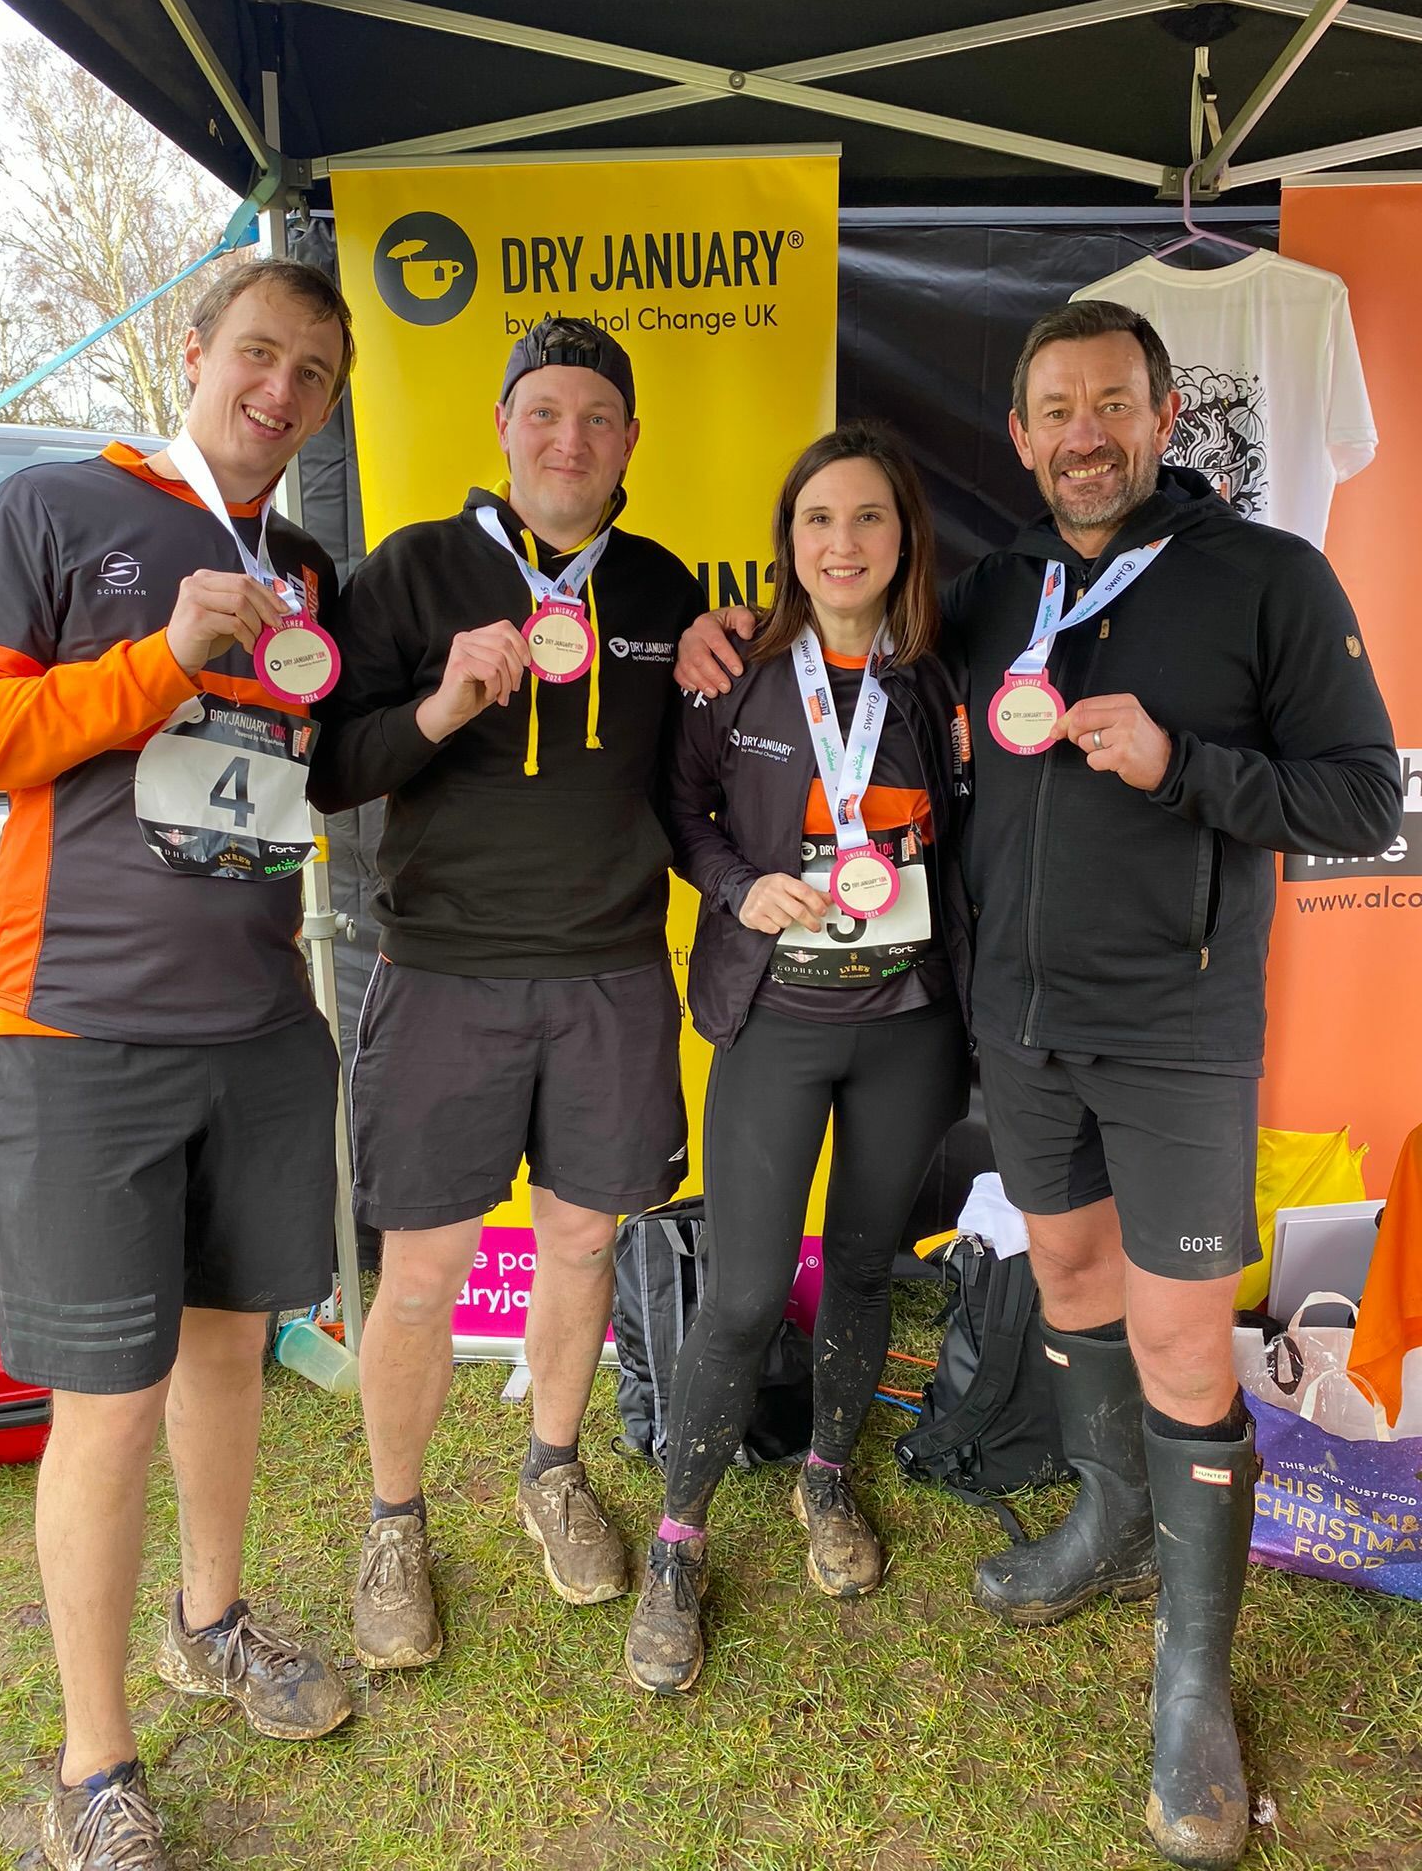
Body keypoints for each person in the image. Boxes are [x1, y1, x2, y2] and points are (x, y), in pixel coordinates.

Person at [675, 300, 1401, 1869]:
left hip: (1180, 1029)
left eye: (1113, 406)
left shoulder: (1269, 579)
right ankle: (1105, 1519)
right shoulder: (995, 589)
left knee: (1182, 1335)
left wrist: (1186, 763)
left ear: (1162, 420)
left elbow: (1357, 791)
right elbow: (847, 643)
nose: (1085, 434)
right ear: (1018, 437)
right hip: (1015, 1019)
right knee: (1069, 1271)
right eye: (1055, 410)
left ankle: (1196, 1684)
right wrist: (720, 638)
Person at [0, 257, 358, 1871]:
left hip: (254, 1024)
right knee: (104, 1399)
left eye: (315, 374)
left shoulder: (307, 567)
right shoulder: (54, 505)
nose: (281, 391)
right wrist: (162, 659)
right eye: (259, 354)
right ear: (195, 354)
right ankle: (96, 1761)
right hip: (79, 1029)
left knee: (230, 1354)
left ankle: (214, 1619)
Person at [307, 315, 705, 1670]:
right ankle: (395, 1522)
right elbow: (331, 767)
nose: (569, 440)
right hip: (445, 976)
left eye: (596, 418)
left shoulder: (658, 591)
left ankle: (551, 1469)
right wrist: (441, 705)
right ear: (503, 427)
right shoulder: (413, 569)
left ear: (630, 442)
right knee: (421, 1273)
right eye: (544, 413)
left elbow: (684, 782)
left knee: (585, 1243)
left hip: (610, 972)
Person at [622, 422, 971, 1696]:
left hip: (908, 1027)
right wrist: (737, 885)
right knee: (744, 1287)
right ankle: (678, 1539)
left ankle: (828, 1475)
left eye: (868, 518)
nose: (842, 542)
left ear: (903, 537)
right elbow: (682, 807)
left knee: (868, 1262)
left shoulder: (942, 677)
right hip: (774, 1018)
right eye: (819, 519)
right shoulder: (735, 673)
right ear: (788, 541)